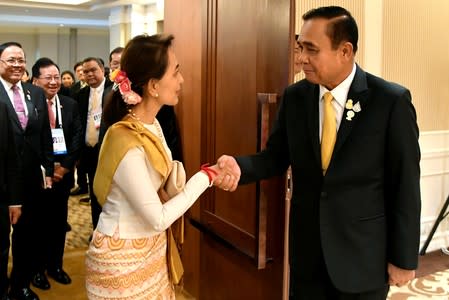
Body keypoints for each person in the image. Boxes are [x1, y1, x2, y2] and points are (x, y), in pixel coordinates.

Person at [216, 6, 421, 300]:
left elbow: (406, 185)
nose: (301, 59)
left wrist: (403, 259)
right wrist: (240, 166)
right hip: (307, 256)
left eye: (311, 49)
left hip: (363, 258)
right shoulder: (296, 97)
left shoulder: (390, 102)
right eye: (300, 47)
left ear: (345, 51)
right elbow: (276, 156)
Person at [85, 33, 221, 299]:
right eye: (176, 72)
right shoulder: (126, 141)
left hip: (151, 250)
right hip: (122, 260)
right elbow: (157, 218)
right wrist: (206, 177)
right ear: (153, 86)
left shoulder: (152, 124)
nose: (181, 80)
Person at [0, 41, 54, 300]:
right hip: (1, 179)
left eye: (20, 60)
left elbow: (45, 136)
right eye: (11, 60)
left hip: (32, 178)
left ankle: (20, 284)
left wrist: (48, 169)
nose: (17, 65)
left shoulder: (35, 92)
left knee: (27, 235)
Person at [30, 58, 82, 291]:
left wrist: (64, 167)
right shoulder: (30, 105)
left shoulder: (69, 104)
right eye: (48, 78)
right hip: (38, 177)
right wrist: (47, 171)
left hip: (63, 175)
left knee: (59, 223)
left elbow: (77, 137)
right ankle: (36, 270)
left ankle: (55, 266)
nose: (54, 82)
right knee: (37, 225)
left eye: (56, 77)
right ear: (35, 81)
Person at [74, 57, 112, 229]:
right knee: (95, 193)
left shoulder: (114, 91)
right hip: (89, 151)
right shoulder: (80, 95)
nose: (89, 74)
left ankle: (110, 230)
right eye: (85, 71)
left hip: (109, 151)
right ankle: (97, 229)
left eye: (93, 70)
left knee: (110, 194)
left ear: (102, 69)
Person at [0, 101, 23, 300]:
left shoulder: (2, 107)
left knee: (1, 248)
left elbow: (11, 158)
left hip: (0, 196)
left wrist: (14, 201)